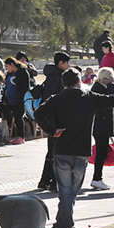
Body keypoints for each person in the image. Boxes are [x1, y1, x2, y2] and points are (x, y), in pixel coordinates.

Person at [35, 69, 114, 228]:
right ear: (79, 81)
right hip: (81, 152)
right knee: (70, 193)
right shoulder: (89, 98)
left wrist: (52, 131)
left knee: (65, 193)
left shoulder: (56, 99)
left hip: (62, 151)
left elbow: (38, 114)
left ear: (64, 83)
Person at [38, 51, 71, 192]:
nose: (69, 66)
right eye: (67, 63)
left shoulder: (54, 76)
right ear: (61, 63)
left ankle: (45, 181)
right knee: (56, 152)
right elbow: (50, 100)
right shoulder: (55, 78)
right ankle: (53, 183)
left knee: (52, 152)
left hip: (52, 120)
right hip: (54, 121)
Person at [90, 67, 114, 190]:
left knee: (102, 151)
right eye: (111, 79)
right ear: (105, 78)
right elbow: (110, 101)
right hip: (100, 124)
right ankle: (97, 178)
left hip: (101, 124)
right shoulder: (99, 89)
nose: (113, 81)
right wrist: (112, 88)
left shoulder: (98, 87)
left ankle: (97, 178)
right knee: (101, 152)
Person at [3, 57, 31, 145]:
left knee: (19, 117)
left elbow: (24, 87)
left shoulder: (22, 72)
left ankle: (21, 136)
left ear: (12, 64)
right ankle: (15, 134)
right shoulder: (9, 74)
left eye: (7, 66)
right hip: (10, 100)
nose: (7, 68)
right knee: (12, 116)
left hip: (19, 99)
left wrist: (21, 99)